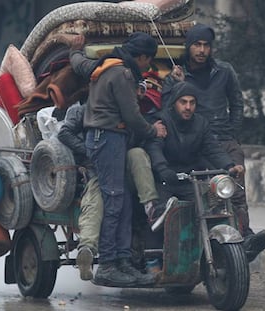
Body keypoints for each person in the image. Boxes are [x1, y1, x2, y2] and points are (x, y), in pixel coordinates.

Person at [162, 23, 265, 262]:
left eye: (206, 45)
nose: (201, 50)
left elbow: (237, 103)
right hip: (194, 144)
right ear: (188, 47)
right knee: (204, 195)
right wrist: (176, 83)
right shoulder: (177, 74)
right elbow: (166, 108)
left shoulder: (224, 70)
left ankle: (245, 236)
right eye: (197, 45)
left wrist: (231, 133)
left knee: (236, 190)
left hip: (224, 140)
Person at [73, 32, 169, 287]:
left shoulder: (107, 64)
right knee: (115, 200)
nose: (148, 67)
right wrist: (153, 131)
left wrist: (74, 51)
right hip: (108, 138)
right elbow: (133, 116)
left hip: (107, 138)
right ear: (142, 57)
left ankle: (123, 261)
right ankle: (107, 265)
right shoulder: (123, 74)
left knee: (124, 200)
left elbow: (81, 65)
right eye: (148, 61)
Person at [144, 81, 247, 228]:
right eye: (183, 102)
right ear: (174, 103)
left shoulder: (201, 123)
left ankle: (233, 239)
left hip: (190, 182)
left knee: (210, 211)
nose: (188, 107)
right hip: (165, 181)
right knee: (162, 219)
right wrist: (163, 169)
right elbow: (154, 148)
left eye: (192, 103)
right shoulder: (162, 121)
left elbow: (212, 148)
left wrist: (229, 166)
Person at [58, 102, 103, 281]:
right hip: (91, 170)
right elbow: (64, 133)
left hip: (117, 167)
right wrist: (89, 151)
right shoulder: (79, 110)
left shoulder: (124, 108)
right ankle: (87, 249)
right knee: (96, 199)